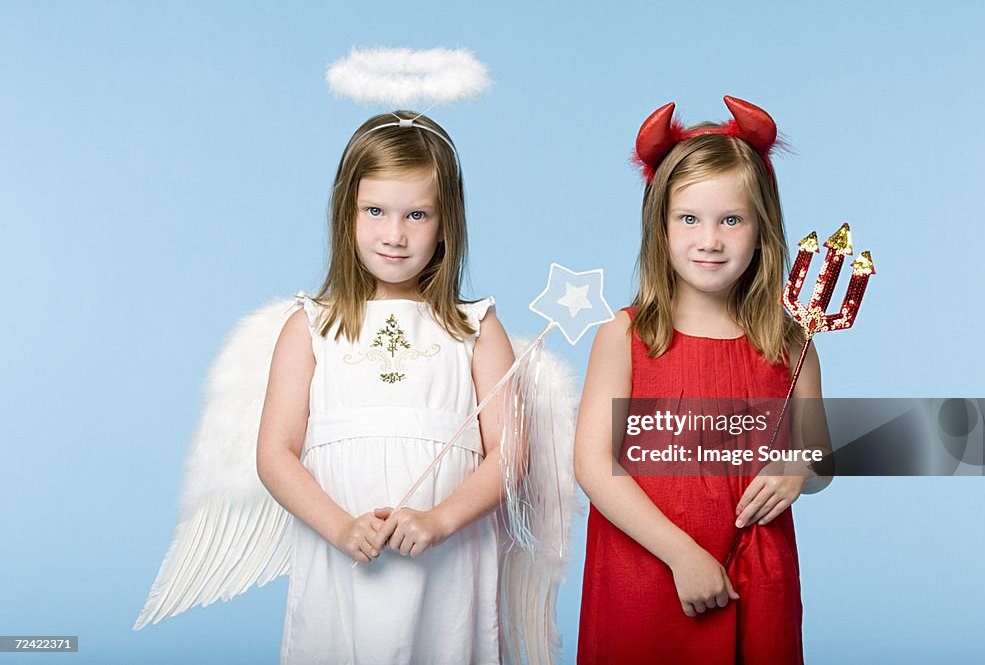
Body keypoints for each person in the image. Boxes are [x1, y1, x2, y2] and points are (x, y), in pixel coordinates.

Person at [575, 97, 831, 664]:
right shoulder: (625, 337)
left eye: (730, 220)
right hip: (647, 570)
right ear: (660, 226)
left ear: (762, 229)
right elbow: (593, 466)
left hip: (758, 576)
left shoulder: (792, 345)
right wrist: (681, 554)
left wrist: (797, 468)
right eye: (689, 219)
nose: (709, 240)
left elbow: (818, 458)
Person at [256, 111, 514, 664]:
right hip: (341, 553)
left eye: (416, 214)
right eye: (375, 211)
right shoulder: (311, 326)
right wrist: (340, 527)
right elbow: (275, 454)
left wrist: (440, 520)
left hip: (447, 557)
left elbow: (511, 455)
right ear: (346, 214)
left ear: (447, 223)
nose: (394, 235)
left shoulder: (476, 328)